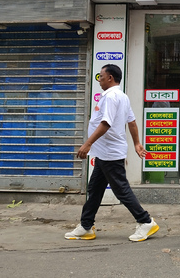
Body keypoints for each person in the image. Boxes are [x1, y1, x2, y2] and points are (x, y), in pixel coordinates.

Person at [65, 64, 159, 242]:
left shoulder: (111, 97)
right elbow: (131, 122)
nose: (99, 79)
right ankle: (86, 226)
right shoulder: (121, 96)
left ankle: (145, 221)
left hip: (110, 153)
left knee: (121, 190)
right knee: (95, 189)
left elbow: (106, 123)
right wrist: (137, 143)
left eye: (101, 76)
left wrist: (87, 144)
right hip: (104, 153)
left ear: (110, 78)